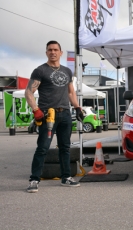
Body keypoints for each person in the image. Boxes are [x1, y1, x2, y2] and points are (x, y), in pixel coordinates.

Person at [25, 40, 84, 193]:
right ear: (46, 52)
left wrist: (77, 107)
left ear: (60, 52)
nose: (53, 52)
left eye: (55, 50)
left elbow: (71, 92)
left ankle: (66, 178)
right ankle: (34, 180)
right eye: (50, 50)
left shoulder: (66, 71)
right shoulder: (40, 71)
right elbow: (29, 91)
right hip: (47, 115)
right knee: (43, 148)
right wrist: (35, 109)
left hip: (65, 113)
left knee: (65, 148)